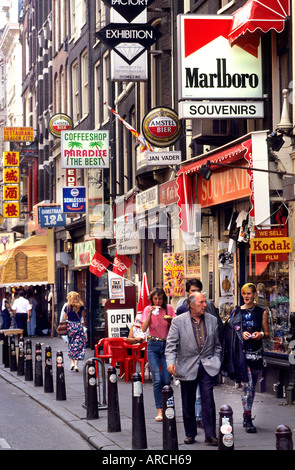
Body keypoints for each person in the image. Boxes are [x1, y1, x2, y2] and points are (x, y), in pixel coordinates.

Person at [166, 291, 221, 446]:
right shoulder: (178, 321)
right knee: (188, 401)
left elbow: (217, 345)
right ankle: (190, 433)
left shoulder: (212, 320)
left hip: (207, 365)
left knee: (208, 400)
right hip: (187, 365)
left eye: (205, 302)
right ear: (191, 305)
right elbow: (171, 346)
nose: (205, 305)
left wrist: (216, 360)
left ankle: (210, 435)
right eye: (201, 302)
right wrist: (171, 362)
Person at [222, 283, 269, 433]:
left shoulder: (262, 312)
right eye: (244, 294)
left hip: (256, 353)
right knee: (247, 386)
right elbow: (229, 331)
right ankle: (248, 417)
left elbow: (267, 334)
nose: (247, 296)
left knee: (252, 386)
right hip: (242, 354)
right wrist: (240, 334)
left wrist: (260, 334)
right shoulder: (236, 312)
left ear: (255, 294)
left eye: (249, 293)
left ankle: (246, 413)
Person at [141, 287, 176, 422]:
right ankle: (159, 409)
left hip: (167, 345)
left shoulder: (168, 309)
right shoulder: (147, 309)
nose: (157, 301)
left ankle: (168, 407)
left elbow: (175, 327)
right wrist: (149, 314)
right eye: (155, 299)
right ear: (151, 299)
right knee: (157, 378)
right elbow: (144, 329)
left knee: (166, 379)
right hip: (153, 345)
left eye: (160, 298)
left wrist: (170, 321)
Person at [63, 291, 86, 372]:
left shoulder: (67, 307)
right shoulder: (81, 306)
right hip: (78, 326)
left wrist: (70, 316)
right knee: (79, 344)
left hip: (70, 326)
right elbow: (82, 317)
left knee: (71, 343)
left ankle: (72, 363)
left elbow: (65, 317)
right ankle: (76, 364)